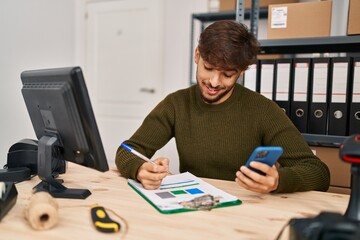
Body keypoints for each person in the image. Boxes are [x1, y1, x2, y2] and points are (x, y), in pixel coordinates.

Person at [115, 20, 330, 194]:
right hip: (194, 207)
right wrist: (141, 169)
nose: (215, 82)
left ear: (241, 72)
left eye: (228, 74)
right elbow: (127, 151)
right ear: (197, 55)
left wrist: (278, 181)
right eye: (208, 68)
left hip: (248, 212)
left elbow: (319, 173)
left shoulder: (263, 110)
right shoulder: (176, 104)